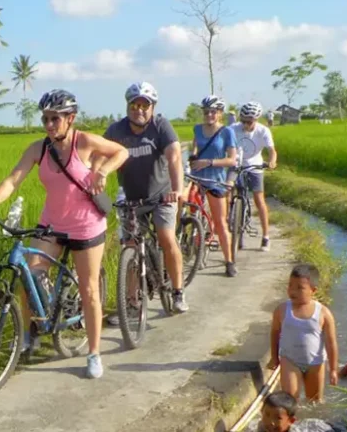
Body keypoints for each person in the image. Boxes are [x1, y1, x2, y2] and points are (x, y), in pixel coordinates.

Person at [0, 89, 129, 379]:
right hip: (52, 223)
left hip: (86, 224)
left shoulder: (85, 141)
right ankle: (31, 334)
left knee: (89, 289)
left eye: (55, 119)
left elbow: (122, 151)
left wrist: (103, 171)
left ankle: (94, 353)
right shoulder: (38, 149)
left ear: (70, 118)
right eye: (45, 119)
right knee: (28, 275)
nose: (49, 125)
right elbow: (13, 179)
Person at [96, 81, 188, 316]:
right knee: (129, 246)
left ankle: (178, 292)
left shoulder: (161, 126)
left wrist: (177, 190)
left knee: (166, 238)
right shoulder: (116, 131)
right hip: (130, 198)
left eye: (144, 105)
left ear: (152, 107)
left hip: (161, 196)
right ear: (128, 107)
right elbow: (98, 155)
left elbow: (174, 157)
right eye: (134, 104)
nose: (139, 109)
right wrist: (95, 178)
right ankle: (131, 302)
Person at [267, 264, 339, 403]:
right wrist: (274, 357)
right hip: (290, 360)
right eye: (290, 285)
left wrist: (333, 369)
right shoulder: (282, 310)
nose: (293, 291)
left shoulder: (323, 313)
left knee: (315, 401)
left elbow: (331, 342)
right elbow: (275, 333)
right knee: (289, 399)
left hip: (315, 363)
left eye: (300, 288)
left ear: (313, 290)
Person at [188, 95, 238, 277]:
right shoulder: (197, 129)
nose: (209, 115)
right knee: (187, 209)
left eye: (213, 112)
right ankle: (190, 243)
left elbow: (232, 159)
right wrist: (193, 157)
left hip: (216, 180)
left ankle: (229, 261)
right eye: (206, 112)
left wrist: (208, 162)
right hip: (196, 178)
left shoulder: (226, 132)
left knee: (220, 222)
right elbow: (194, 147)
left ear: (219, 114)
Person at [228, 101, 278, 252]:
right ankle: (228, 220)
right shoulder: (233, 128)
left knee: (259, 199)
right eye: (243, 121)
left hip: (255, 166)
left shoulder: (263, 131)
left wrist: (272, 161)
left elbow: (272, 150)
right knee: (227, 191)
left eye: (249, 122)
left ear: (256, 120)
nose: (245, 124)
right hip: (236, 165)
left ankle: (266, 236)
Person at [253, 391, 335, 432]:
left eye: (278, 418)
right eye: (267, 414)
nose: (271, 422)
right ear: (261, 411)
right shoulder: (262, 426)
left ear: (291, 421)